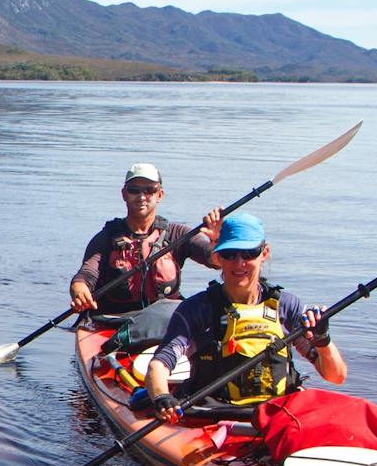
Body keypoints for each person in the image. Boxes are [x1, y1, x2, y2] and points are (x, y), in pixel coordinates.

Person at [145, 212, 346, 421]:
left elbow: (336, 376)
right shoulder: (195, 310)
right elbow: (158, 366)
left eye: (249, 253)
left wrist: (323, 340)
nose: (239, 263)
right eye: (230, 253)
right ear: (217, 257)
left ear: (264, 253)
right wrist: (161, 396)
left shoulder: (286, 306)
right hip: (213, 416)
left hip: (278, 417)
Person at [69, 163, 224, 316]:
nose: (142, 197)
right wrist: (79, 290)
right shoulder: (105, 238)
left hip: (165, 322)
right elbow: (86, 275)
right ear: (124, 194)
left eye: (150, 190)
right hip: (114, 321)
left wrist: (216, 240)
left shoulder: (177, 234)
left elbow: (215, 260)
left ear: (160, 195)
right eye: (134, 190)